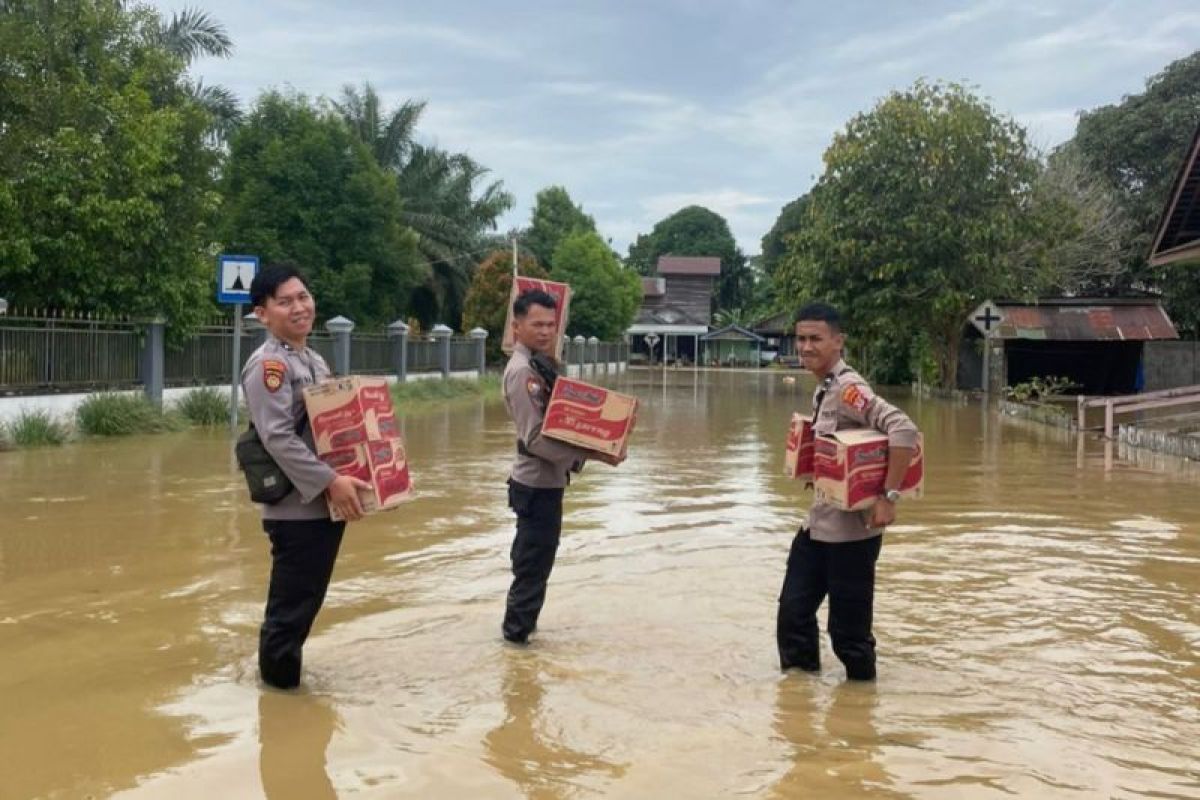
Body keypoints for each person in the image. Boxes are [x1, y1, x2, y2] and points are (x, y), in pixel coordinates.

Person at [242, 262, 370, 689]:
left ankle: (283, 687)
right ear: (262, 314)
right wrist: (332, 481)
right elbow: (277, 437)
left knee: (306, 605)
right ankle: (279, 698)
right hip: (297, 509)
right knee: (289, 612)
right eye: (285, 301)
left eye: (303, 296)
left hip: (323, 504)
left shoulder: (312, 359)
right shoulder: (269, 366)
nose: (299, 307)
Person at [777, 303, 919, 681]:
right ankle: (799, 706)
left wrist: (889, 498)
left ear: (838, 342)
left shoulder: (848, 388)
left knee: (849, 636)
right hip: (819, 526)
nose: (805, 347)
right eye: (801, 339)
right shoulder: (824, 387)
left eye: (815, 339)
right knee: (793, 617)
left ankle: (861, 713)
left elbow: (903, 430)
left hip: (853, 534)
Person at [500, 289, 621, 644]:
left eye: (551, 325)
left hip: (546, 483)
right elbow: (536, 437)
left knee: (536, 567)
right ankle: (516, 650)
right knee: (532, 570)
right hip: (536, 485)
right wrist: (594, 454)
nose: (545, 331)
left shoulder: (540, 364)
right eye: (536, 324)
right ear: (516, 326)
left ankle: (522, 640)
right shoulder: (522, 372)